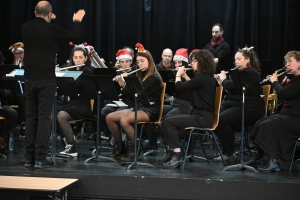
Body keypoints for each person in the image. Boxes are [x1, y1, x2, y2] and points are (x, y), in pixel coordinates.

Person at [22, 1, 85, 168]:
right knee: (43, 118)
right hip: (46, 80)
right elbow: (74, 36)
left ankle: (29, 158)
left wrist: (47, 19)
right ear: (49, 14)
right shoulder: (52, 29)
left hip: (29, 79)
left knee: (30, 118)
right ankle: (41, 158)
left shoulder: (25, 27)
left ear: (35, 12)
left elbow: (39, 29)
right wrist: (77, 20)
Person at [244, 51, 300, 172]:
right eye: (286, 62)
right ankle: (258, 157)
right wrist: (276, 80)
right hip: (287, 115)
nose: (287, 65)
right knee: (260, 123)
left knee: (268, 126)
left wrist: (275, 82)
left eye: (290, 62)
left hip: (296, 118)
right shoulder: (293, 78)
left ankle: (273, 161)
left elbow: (284, 93)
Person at [160, 49, 216, 168]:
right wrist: (185, 75)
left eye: (195, 61)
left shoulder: (202, 78)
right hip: (201, 115)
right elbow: (193, 86)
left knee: (168, 121)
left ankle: (177, 154)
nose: (192, 64)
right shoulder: (206, 78)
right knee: (166, 121)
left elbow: (179, 87)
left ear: (203, 63)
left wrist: (178, 75)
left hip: (202, 117)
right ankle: (172, 153)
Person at [106, 43, 162, 161]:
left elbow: (138, 94)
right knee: (109, 117)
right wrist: (122, 85)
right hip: (139, 107)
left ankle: (136, 149)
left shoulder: (154, 78)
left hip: (150, 109)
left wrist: (125, 84)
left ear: (149, 61)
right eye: (138, 61)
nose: (140, 64)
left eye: (143, 61)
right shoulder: (139, 75)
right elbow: (131, 98)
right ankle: (120, 147)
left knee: (124, 120)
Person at [213, 47, 265, 162]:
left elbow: (231, 85)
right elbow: (233, 89)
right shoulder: (239, 74)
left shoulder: (251, 72)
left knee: (221, 120)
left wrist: (223, 79)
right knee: (213, 118)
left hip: (251, 109)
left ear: (247, 60)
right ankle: (227, 147)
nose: (236, 62)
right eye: (235, 59)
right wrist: (222, 82)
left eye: (239, 59)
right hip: (238, 105)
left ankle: (228, 152)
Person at [157, 48, 194, 164]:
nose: (177, 64)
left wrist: (180, 77)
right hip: (176, 104)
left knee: (166, 121)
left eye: (180, 62)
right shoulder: (175, 72)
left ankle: (176, 152)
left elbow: (190, 92)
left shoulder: (191, 73)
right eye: (176, 62)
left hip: (186, 106)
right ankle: (170, 151)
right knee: (158, 114)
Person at [57, 45, 94, 157]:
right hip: (72, 104)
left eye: (80, 57)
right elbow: (63, 89)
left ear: (85, 58)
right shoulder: (71, 70)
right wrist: (58, 75)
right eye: (75, 57)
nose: (78, 60)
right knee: (50, 113)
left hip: (83, 106)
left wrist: (66, 75)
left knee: (61, 115)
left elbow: (76, 85)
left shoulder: (88, 72)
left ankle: (71, 147)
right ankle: (67, 141)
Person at [101, 49, 135, 145]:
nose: (124, 65)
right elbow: (112, 92)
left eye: (127, 62)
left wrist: (124, 85)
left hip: (131, 102)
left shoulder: (135, 74)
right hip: (120, 101)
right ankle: (113, 134)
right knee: (103, 111)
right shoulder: (118, 73)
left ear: (131, 62)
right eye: (122, 62)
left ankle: (121, 138)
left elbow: (132, 94)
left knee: (115, 113)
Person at [8, 42, 26, 138]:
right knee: (21, 97)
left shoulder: (28, 66)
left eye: (20, 53)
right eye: (16, 53)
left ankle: (25, 124)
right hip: (14, 93)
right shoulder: (12, 66)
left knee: (24, 97)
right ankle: (23, 124)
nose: (18, 55)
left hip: (24, 92)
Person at [0, 89, 18, 154]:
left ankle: (2, 139)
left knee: (12, 113)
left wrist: (4, 92)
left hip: (1, 105)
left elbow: (10, 96)